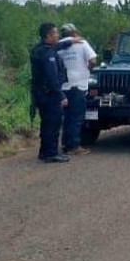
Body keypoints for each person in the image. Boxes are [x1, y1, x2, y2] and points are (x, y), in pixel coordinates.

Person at [30, 22, 81, 163]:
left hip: (40, 93)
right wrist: (61, 95)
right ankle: (51, 153)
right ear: (49, 35)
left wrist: (71, 41)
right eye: (55, 33)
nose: (58, 35)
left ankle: (44, 151)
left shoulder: (39, 49)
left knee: (46, 123)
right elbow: (52, 77)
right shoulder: (48, 54)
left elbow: (58, 46)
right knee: (53, 123)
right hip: (49, 94)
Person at [57, 23, 97, 156]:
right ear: (74, 32)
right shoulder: (81, 43)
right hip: (79, 84)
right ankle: (74, 145)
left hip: (63, 85)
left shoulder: (58, 46)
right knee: (77, 116)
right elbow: (93, 60)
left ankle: (64, 144)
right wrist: (88, 69)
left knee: (66, 116)